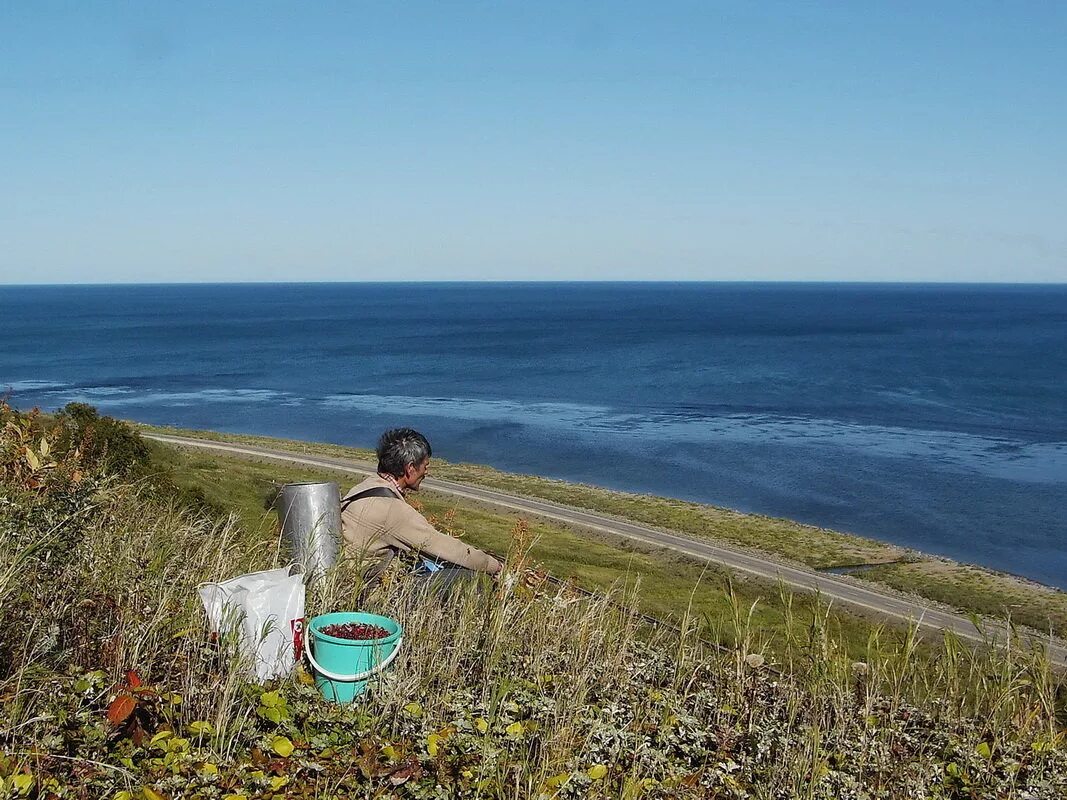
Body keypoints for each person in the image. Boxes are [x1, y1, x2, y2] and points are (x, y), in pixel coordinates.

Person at [340, 427, 502, 591]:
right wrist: (494, 566)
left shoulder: (365, 486)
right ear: (410, 468)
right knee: (471, 577)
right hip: (369, 594)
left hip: (349, 581)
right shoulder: (392, 510)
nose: (426, 471)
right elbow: (447, 549)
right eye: (425, 465)